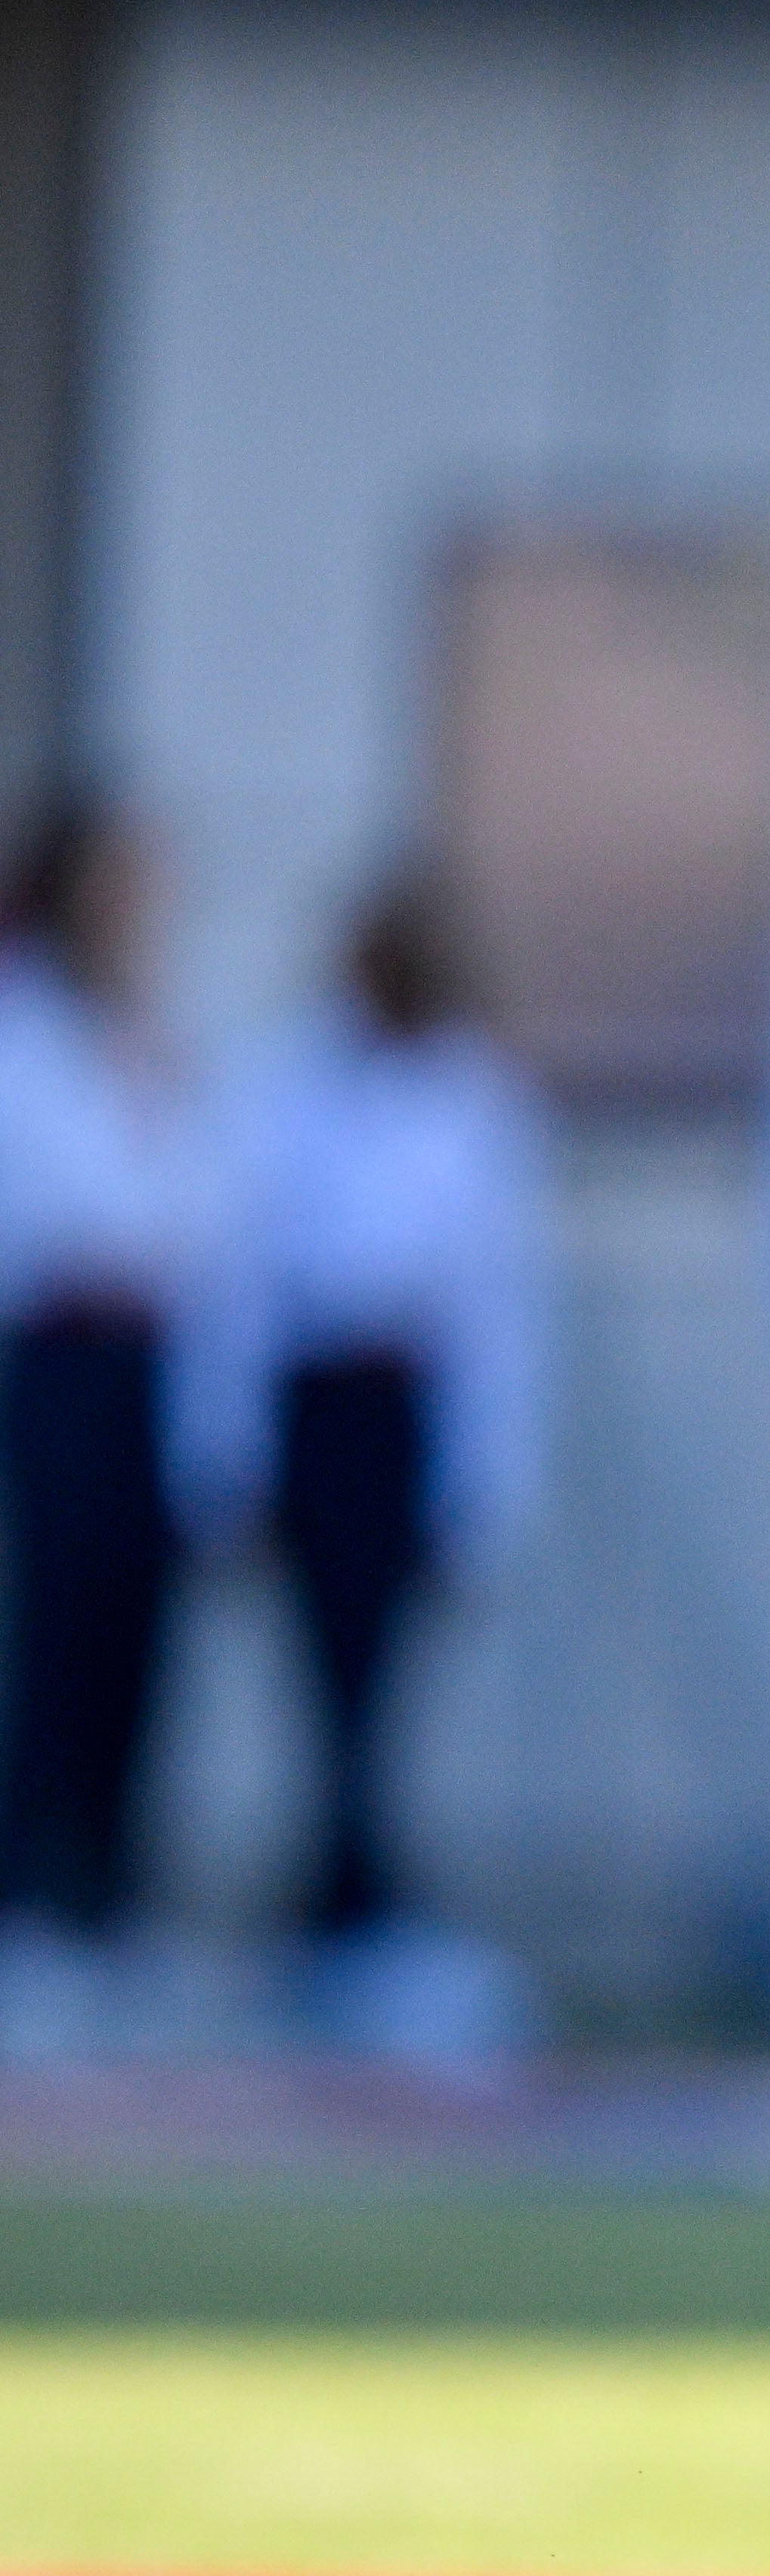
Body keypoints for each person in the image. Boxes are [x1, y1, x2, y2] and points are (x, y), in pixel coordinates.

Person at [182, 871, 550, 2062]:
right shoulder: (287, 1085)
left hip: (406, 1406)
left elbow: (501, 1314)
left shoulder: (477, 1098)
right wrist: (225, 1453)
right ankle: (338, 1904)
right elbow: (238, 1277)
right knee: (321, 1661)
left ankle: (362, 1904)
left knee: (382, 1666)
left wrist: (487, 1483)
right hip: (314, 1397)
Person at [0, 794, 196, 2063]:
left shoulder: (149, 1036)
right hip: (56, 1348)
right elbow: (56, 1200)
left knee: (138, 1627)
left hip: (148, 1356)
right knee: (53, 1626)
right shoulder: (27, 1028)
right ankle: (34, 1906)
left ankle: (115, 1902)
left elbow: (189, 1200)